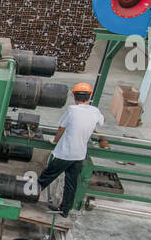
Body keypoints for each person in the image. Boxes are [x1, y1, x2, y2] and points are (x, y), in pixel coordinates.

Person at [38, 82, 104, 217]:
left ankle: (26, 196)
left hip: (65, 153)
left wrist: (55, 140)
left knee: (46, 177)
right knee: (71, 183)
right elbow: (101, 122)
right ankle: (64, 210)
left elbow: (62, 127)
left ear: (74, 96)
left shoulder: (72, 110)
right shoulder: (95, 111)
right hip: (79, 155)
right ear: (89, 95)